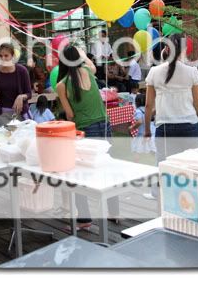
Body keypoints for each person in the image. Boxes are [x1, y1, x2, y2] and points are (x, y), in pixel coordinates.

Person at [57, 45, 119, 229]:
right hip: (104, 125)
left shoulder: (62, 85)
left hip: (85, 130)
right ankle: (114, 212)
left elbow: (69, 115)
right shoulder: (88, 71)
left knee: (79, 175)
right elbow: (90, 64)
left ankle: (84, 219)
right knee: (108, 169)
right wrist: (82, 54)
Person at [144, 34, 198, 199]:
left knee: (165, 167)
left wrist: (147, 130)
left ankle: (162, 198)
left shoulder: (154, 72)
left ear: (166, 49)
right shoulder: (191, 72)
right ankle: (192, 202)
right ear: (184, 49)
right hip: (189, 127)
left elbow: (148, 105)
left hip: (164, 128)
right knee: (192, 169)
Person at [0, 43, 32, 126]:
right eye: (0, 56)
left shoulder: (22, 71)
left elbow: (29, 94)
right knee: (5, 134)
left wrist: (21, 96)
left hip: (20, 112)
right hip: (2, 115)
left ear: (13, 56)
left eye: (6, 56)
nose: (3, 58)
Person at [129, 93, 155, 162]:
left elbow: (139, 122)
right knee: (153, 150)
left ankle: (135, 163)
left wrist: (132, 127)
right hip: (152, 133)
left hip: (142, 134)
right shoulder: (150, 110)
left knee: (137, 150)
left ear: (136, 102)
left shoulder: (138, 111)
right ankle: (157, 163)